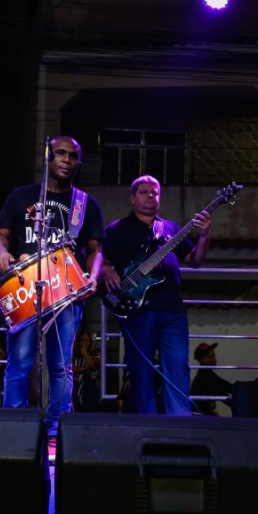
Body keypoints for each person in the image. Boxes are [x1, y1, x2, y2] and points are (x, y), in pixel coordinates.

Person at [0, 135, 103, 444]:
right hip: (25, 288)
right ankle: (14, 424)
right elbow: (0, 234)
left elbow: (96, 250)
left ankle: (56, 428)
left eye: (73, 156)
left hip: (66, 291)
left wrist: (92, 276)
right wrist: (1, 252)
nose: (67, 160)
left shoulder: (85, 203)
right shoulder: (21, 196)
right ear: (48, 157)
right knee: (19, 363)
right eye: (61, 154)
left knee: (61, 365)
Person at [100, 175, 212, 416]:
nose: (150, 196)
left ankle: (180, 423)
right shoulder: (117, 229)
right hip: (137, 310)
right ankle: (147, 424)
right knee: (141, 369)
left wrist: (204, 235)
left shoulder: (170, 228)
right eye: (144, 192)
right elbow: (100, 260)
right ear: (132, 198)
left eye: (155, 192)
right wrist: (106, 269)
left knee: (178, 367)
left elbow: (194, 261)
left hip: (173, 309)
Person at [190, 341, 233, 415]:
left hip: (203, 413)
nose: (215, 359)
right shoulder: (205, 377)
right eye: (212, 357)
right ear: (203, 359)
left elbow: (225, 385)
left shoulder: (207, 373)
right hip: (199, 415)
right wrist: (238, 403)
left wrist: (241, 389)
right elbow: (220, 393)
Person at [71, 326, 101, 412]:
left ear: (90, 342)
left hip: (89, 386)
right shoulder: (73, 353)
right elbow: (71, 368)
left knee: (89, 407)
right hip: (75, 384)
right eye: (81, 340)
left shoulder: (96, 353)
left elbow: (94, 366)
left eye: (86, 340)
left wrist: (84, 353)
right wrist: (85, 368)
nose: (83, 342)